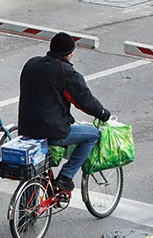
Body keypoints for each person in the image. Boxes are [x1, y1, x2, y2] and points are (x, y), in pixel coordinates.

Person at [18, 32, 111, 193]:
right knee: (93, 134)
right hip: (52, 130)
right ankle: (65, 177)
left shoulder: (31, 63)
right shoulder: (66, 72)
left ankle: (26, 212)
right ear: (70, 53)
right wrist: (102, 113)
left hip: (26, 128)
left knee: (33, 172)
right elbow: (84, 101)